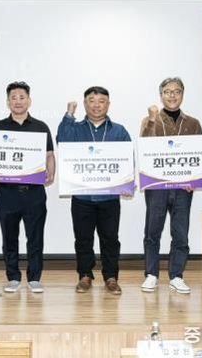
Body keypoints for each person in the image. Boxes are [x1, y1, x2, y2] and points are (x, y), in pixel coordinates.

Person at [56, 86, 131, 295]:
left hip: (109, 198)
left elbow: (127, 159)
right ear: (85, 104)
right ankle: (85, 275)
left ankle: (111, 277)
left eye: (101, 101)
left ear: (108, 104)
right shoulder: (75, 128)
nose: (96, 105)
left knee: (110, 239)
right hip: (82, 196)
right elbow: (62, 141)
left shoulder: (119, 131)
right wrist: (69, 115)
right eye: (91, 100)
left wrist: (127, 183)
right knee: (83, 239)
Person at [138, 77, 202, 294]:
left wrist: (195, 180)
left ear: (182, 94)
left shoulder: (193, 123)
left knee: (181, 233)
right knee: (152, 231)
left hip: (183, 188)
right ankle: (151, 274)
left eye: (176, 91)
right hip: (157, 186)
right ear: (161, 95)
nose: (172, 95)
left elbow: (199, 156)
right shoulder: (150, 120)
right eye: (167, 91)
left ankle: (176, 275)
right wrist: (152, 119)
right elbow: (145, 146)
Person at [0, 82, 55, 294]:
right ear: (7, 102)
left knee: (35, 237)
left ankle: (34, 278)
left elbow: (49, 155)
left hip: (34, 192)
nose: (18, 101)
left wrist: (51, 173)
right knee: (9, 237)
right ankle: (13, 277)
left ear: (29, 100)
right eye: (14, 97)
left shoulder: (40, 126)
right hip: (7, 193)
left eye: (22, 97)